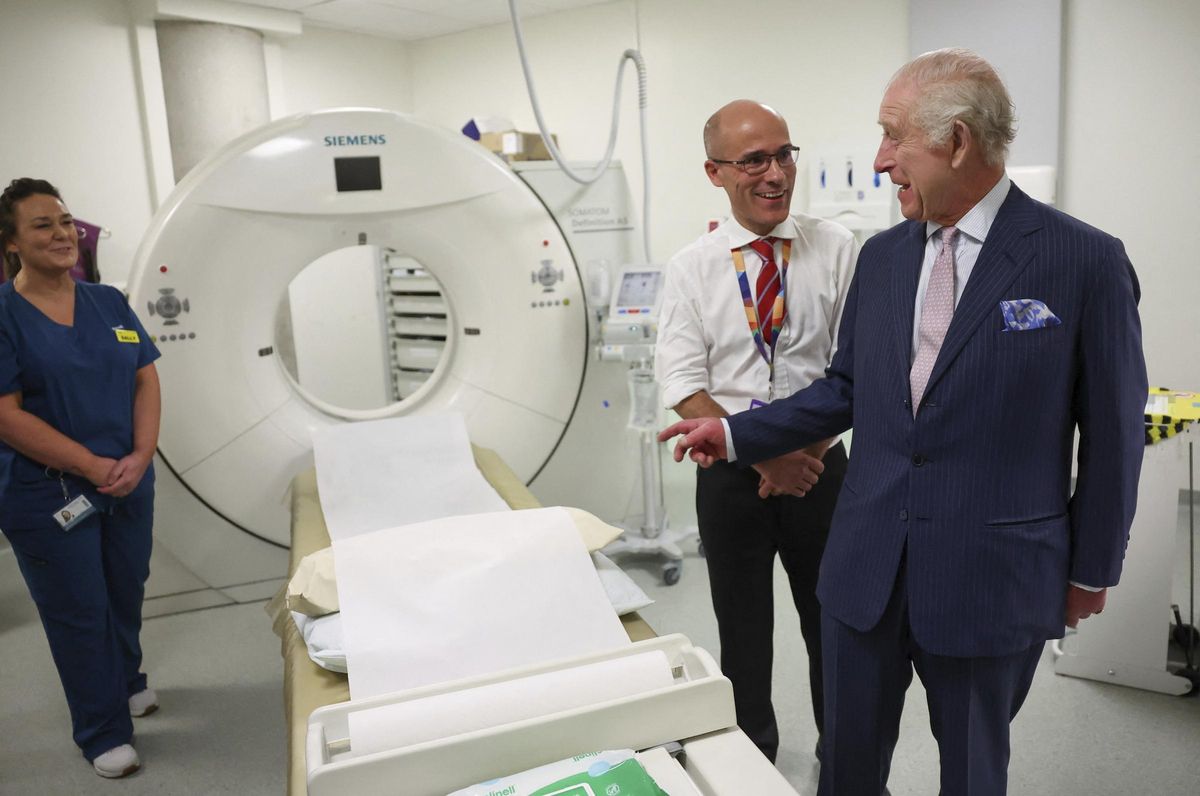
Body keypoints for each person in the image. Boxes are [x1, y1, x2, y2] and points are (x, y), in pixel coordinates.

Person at [660, 49, 1147, 795]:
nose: (881, 160)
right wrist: (733, 435)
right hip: (865, 569)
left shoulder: (1081, 260)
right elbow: (848, 386)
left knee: (974, 771)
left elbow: (1113, 436)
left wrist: (1091, 569)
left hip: (990, 576)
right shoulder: (884, 258)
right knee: (847, 769)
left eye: (893, 138)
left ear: (955, 142)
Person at [654, 99, 857, 763]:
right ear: (716, 173)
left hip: (823, 471)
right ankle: (753, 762)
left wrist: (806, 455)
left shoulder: (837, 248)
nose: (775, 173)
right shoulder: (692, 267)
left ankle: (845, 762)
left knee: (838, 627)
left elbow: (855, 369)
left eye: (784, 154)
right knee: (742, 635)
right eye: (753, 161)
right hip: (733, 480)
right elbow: (683, 382)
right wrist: (766, 459)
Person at [0, 178, 163, 778]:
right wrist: (93, 465)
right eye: (42, 224)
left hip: (127, 475)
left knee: (126, 586)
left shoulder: (108, 303)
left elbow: (144, 375)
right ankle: (101, 731)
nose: (62, 233)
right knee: (78, 607)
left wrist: (141, 453)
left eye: (66, 221)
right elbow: (4, 414)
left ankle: (126, 681)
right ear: (13, 242)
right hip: (48, 490)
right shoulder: (4, 316)